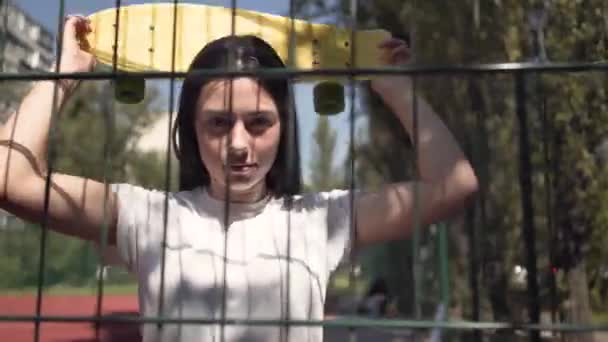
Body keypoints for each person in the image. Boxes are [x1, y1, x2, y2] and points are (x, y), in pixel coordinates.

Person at [0, 15, 478, 342]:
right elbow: (10, 177)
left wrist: (391, 84)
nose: (238, 144)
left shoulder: (320, 219)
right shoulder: (146, 215)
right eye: (218, 122)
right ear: (190, 129)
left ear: (284, 127)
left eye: (259, 122)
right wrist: (65, 74)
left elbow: (453, 184)